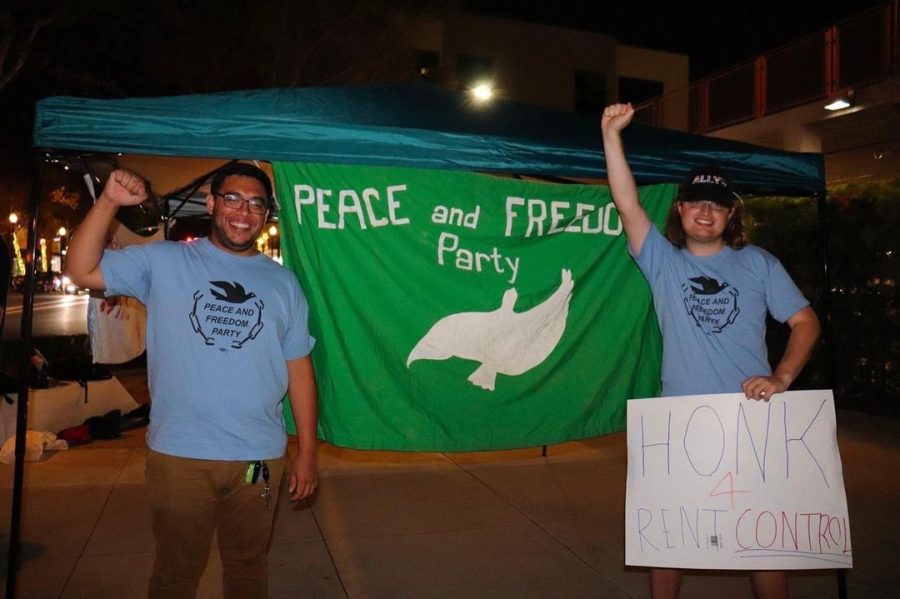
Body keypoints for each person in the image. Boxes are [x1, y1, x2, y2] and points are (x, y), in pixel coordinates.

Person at [65, 163, 318, 599]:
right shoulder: (164, 260)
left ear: (266, 215)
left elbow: (299, 368)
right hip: (178, 454)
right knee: (176, 572)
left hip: (257, 459)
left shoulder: (283, 283)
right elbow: (81, 270)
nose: (245, 211)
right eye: (234, 198)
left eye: (257, 203)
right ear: (213, 203)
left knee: (248, 565)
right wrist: (108, 202)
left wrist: (308, 453)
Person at [601, 103, 821, 599]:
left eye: (717, 204)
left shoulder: (760, 263)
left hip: (752, 417)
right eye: (696, 202)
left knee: (764, 537)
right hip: (677, 421)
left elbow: (805, 323)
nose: (706, 211)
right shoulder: (661, 260)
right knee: (671, 536)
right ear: (680, 209)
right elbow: (627, 205)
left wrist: (783, 377)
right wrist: (612, 136)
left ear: (731, 213)